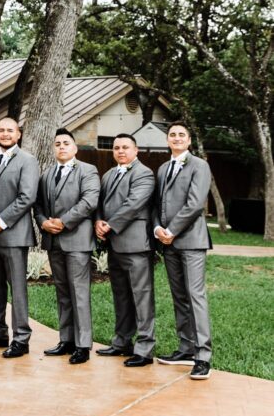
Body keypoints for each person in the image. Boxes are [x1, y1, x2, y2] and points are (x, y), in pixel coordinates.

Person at [34, 127, 100, 364]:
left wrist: (64, 221)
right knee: (62, 292)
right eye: (57, 144)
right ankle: (66, 339)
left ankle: (83, 344)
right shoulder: (47, 174)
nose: (61, 147)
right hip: (53, 240)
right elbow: (38, 205)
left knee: (79, 293)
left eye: (66, 143)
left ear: (74, 147)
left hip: (77, 240)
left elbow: (89, 201)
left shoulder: (88, 170)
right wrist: (44, 223)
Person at [154, 120, 213, 380]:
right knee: (179, 296)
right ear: (167, 140)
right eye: (172, 134)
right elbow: (156, 204)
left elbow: (195, 204)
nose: (176, 138)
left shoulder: (200, 166)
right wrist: (158, 229)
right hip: (168, 242)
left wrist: (172, 230)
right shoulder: (163, 168)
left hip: (191, 240)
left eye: (181, 135)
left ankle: (203, 357)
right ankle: (186, 348)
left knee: (195, 296)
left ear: (189, 141)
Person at [0, 116, 39, 358]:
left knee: (17, 287)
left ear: (18, 134)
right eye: (1, 130)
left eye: (10, 130)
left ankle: (21, 337)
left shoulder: (28, 161)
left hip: (14, 234)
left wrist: (0, 222)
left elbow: (27, 197)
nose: (5, 134)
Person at [95, 133, 156, 367]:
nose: (120, 151)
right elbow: (100, 204)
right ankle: (122, 342)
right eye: (116, 147)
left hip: (136, 245)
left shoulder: (144, 174)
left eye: (125, 147)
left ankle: (145, 348)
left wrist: (110, 225)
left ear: (136, 150)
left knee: (142, 296)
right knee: (121, 295)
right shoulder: (109, 174)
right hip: (114, 244)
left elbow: (133, 204)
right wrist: (98, 221)